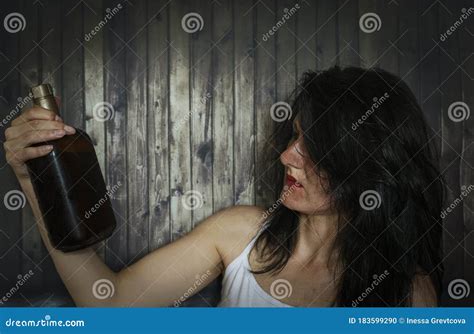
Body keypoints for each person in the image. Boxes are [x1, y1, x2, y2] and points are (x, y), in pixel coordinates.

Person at [3, 66, 444, 307]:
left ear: (368, 168)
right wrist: (35, 180)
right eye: (295, 136)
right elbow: (109, 306)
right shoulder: (241, 235)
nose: (287, 156)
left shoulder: (407, 295)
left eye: (317, 151)